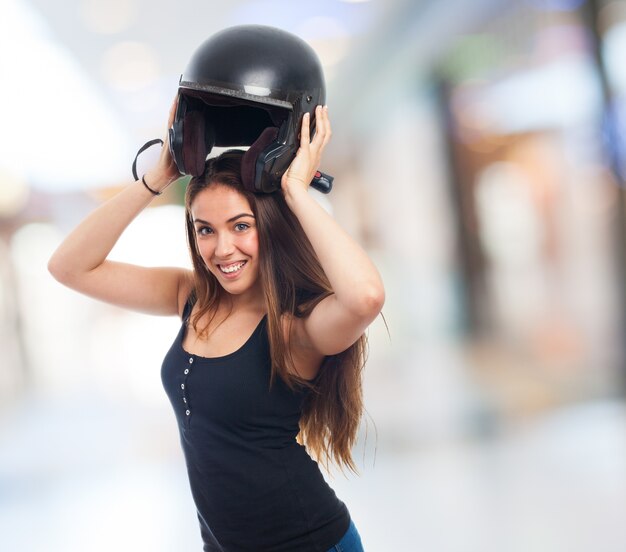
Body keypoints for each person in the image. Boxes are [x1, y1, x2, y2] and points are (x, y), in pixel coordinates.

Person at [48, 98, 385, 551]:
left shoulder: (294, 327)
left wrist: (296, 192)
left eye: (240, 225)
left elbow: (365, 297)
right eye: (205, 229)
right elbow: (69, 266)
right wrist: (158, 177)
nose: (222, 248)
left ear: (269, 225)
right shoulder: (190, 298)